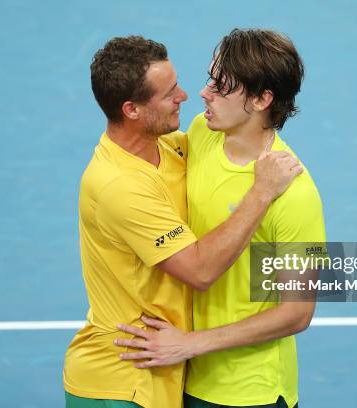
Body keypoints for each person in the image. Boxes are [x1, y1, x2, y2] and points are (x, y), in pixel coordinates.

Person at [63, 35, 302, 408]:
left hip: (175, 377)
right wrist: (261, 192)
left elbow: (298, 309)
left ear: (261, 99)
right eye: (169, 92)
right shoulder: (119, 185)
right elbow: (200, 270)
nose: (189, 96)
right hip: (123, 379)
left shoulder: (181, 145)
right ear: (132, 110)